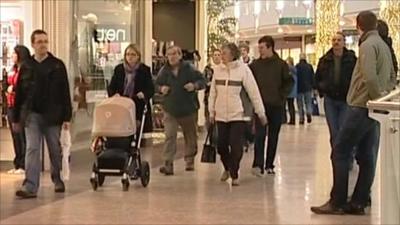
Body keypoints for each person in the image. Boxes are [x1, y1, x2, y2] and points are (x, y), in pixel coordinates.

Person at [311, 11, 396, 215]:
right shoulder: (384, 46)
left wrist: (376, 100)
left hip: (361, 106)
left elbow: (369, 77)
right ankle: (358, 200)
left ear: (359, 26)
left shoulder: (367, 45)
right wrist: (383, 98)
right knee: (367, 155)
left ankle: (337, 201)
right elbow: (392, 76)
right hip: (373, 108)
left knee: (340, 151)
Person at [14, 29, 72, 198]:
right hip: (31, 114)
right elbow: (19, 93)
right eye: (39, 42)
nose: (43, 45)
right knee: (32, 148)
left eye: (45, 41)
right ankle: (30, 186)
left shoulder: (57, 65)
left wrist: (67, 117)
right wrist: (17, 117)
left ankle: (58, 178)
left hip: (52, 115)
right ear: (33, 44)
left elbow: (64, 92)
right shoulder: (26, 66)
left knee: (54, 148)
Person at [208, 43, 266, 186]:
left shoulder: (243, 70)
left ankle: (234, 173)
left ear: (233, 54)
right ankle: (227, 167)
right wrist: (211, 111)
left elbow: (254, 92)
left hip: (237, 114)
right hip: (220, 114)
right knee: (221, 145)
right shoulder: (218, 71)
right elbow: (213, 93)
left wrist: (260, 112)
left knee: (236, 145)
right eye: (221, 53)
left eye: (224, 53)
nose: (221, 56)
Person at [155, 45, 206, 175]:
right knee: (169, 136)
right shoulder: (164, 71)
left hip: (188, 108)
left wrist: (194, 86)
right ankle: (168, 163)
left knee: (190, 136)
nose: (171, 57)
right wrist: (161, 89)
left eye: (174, 54)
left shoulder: (189, 68)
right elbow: (156, 84)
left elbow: (203, 80)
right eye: (169, 54)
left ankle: (189, 160)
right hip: (170, 108)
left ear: (180, 55)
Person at [249, 36, 293, 176]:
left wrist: (282, 96)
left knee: (273, 135)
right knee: (260, 135)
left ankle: (269, 164)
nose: (260, 50)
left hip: (276, 105)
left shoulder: (280, 64)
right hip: (260, 105)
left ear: (270, 47)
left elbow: (288, 82)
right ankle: (258, 164)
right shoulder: (255, 65)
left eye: (262, 47)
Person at [315, 32, 357, 153]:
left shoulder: (351, 59)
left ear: (344, 42)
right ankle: (337, 156)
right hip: (330, 99)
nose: (336, 42)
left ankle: (346, 156)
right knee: (334, 130)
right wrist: (322, 88)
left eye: (339, 40)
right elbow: (318, 77)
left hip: (346, 99)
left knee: (344, 129)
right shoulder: (325, 60)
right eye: (334, 40)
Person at [108, 44, 155, 132]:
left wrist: (144, 94)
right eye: (128, 54)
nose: (130, 57)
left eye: (133, 54)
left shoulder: (144, 70)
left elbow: (151, 89)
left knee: (137, 133)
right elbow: (111, 87)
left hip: (138, 104)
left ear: (138, 56)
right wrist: (114, 95)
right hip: (121, 104)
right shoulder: (119, 69)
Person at [4, 45, 30, 175]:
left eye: (14, 53)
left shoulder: (27, 70)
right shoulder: (12, 69)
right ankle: (18, 162)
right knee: (14, 135)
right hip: (11, 105)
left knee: (22, 135)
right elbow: (5, 84)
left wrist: (13, 88)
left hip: (22, 106)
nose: (12, 56)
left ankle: (25, 164)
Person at [203, 49, 222, 127]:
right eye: (215, 55)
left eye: (218, 55)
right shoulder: (207, 69)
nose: (217, 57)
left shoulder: (223, 68)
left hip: (220, 99)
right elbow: (203, 81)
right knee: (209, 121)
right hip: (208, 98)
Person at [295, 53, 315, 124]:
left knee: (300, 104)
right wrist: (313, 87)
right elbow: (312, 77)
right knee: (308, 102)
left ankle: (301, 118)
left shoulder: (297, 66)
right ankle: (309, 112)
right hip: (308, 87)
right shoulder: (309, 66)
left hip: (299, 88)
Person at [285, 57, 297, 125]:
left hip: (289, 92)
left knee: (290, 106)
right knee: (291, 106)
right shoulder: (295, 71)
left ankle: (291, 120)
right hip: (292, 92)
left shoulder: (289, 70)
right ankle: (292, 119)